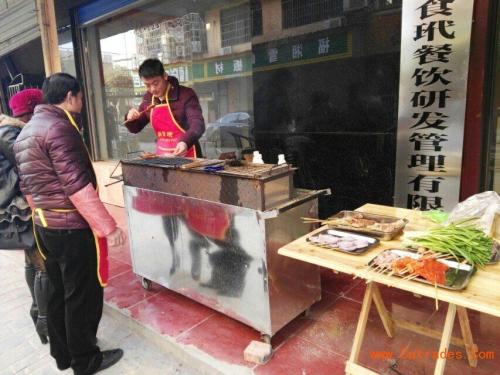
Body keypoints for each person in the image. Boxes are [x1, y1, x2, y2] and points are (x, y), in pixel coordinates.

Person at [14, 73, 125, 375]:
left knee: (58, 290)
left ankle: (62, 354)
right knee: (81, 294)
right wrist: (108, 226)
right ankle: (85, 360)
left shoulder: (26, 133)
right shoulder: (60, 128)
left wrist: (45, 215)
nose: (81, 102)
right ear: (71, 96)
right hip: (70, 227)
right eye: (80, 96)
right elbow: (77, 186)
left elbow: (27, 188)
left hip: (44, 225)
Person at [0, 89, 49, 344]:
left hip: (14, 208)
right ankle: (45, 322)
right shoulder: (10, 133)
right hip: (21, 208)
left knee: (32, 261)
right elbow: (27, 169)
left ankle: (37, 313)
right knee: (42, 266)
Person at [125, 58, 205, 157]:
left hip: (187, 155)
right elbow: (136, 128)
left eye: (156, 83)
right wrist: (130, 118)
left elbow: (198, 125)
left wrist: (185, 142)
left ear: (165, 76)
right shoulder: (148, 99)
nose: (152, 89)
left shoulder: (185, 95)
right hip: (163, 157)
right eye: (147, 85)